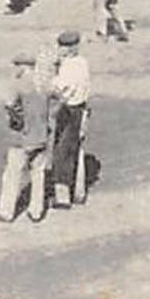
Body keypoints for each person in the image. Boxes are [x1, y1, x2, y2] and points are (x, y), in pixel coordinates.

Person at [0, 51, 51, 223]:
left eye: (17, 66)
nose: (14, 69)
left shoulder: (18, 84)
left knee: (12, 173)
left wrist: (17, 121)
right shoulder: (44, 84)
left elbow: (9, 105)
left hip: (22, 137)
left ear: (24, 67)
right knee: (38, 173)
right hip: (41, 134)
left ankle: (6, 211)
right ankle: (36, 211)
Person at [50, 30, 91, 208]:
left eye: (63, 47)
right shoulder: (82, 63)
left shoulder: (67, 67)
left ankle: (62, 197)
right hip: (81, 108)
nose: (60, 49)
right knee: (76, 148)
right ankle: (79, 190)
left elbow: (58, 88)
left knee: (62, 152)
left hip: (68, 110)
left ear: (69, 48)